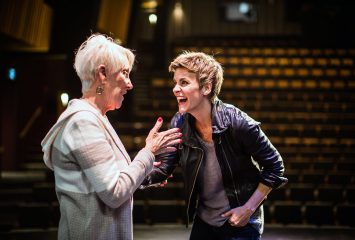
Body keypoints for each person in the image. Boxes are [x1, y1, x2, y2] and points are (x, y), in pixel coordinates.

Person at [41, 33, 181, 240]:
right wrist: (148, 152)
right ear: (103, 74)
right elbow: (114, 193)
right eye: (125, 73)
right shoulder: (83, 123)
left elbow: (105, 181)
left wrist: (144, 173)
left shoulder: (96, 118)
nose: (130, 84)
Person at [141, 51, 288, 240]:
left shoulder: (237, 122)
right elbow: (163, 170)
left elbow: (275, 167)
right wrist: (129, 171)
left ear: (206, 88)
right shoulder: (179, 122)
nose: (175, 89)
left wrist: (248, 209)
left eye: (184, 82)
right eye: (175, 83)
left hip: (241, 223)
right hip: (204, 222)